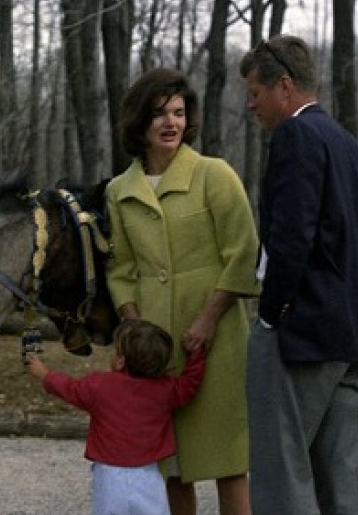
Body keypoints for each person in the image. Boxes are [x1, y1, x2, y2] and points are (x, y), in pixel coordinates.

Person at [238, 36, 358, 515]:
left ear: (283, 86)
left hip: (302, 334)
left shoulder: (296, 135)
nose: (251, 105)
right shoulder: (345, 142)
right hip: (353, 336)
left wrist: (271, 314)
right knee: (341, 480)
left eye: (255, 92)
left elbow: (292, 237)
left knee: (282, 473)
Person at [104, 68, 259, 515]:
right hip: (155, 348)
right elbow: (122, 270)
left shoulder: (215, 175)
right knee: (169, 462)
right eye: (158, 114)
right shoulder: (120, 191)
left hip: (218, 340)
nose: (170, 122)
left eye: (177, 112)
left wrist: (208, 319)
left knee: (229, 459)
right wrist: (134, 334)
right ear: (140, 123)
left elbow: (243, 253)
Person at [25, 319, 206, 515]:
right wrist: (196, 354)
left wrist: (44, 373)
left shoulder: (100, 386)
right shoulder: (166, 390)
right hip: (149, 475)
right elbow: (190, 385)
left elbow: (68, 388)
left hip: (109, 476)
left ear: (120, 362)